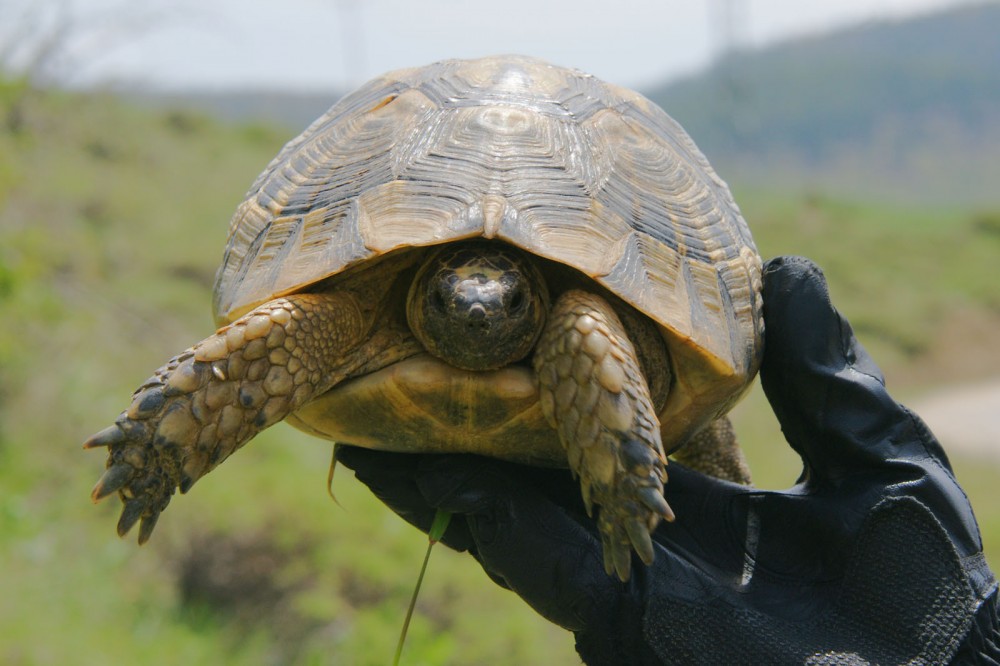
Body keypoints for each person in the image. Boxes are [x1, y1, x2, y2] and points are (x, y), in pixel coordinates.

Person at [337, 256, 1000, 665]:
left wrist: (966, 646)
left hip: (598, 333)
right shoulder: (360, 313)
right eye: (449, 305)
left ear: (529, 296)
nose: (478, 319)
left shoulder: (577, 318)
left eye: (508, 302)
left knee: (585, 326)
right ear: (421, 293)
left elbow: (584, 320)